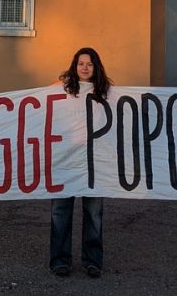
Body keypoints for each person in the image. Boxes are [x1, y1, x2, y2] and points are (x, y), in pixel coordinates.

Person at [48, 47, 112, 278]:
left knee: (94, 213)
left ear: (96, 67)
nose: (84, 68)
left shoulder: (106, 92)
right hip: (65, 159)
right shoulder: (63, 89)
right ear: (75, 66)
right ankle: (59, 260)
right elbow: (40, 99)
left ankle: (93, 261)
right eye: (80, 63)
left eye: (89, 64)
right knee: (61, 211)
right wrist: (61, 80)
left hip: (94, 163)